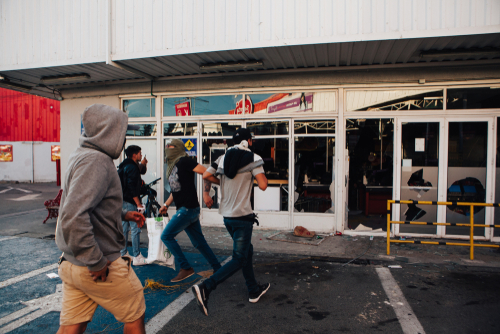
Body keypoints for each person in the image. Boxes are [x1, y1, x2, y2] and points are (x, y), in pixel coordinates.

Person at [55, 104, 146, 334]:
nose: (124, 138)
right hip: (98, 263)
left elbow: (89, 206)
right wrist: (95, 261)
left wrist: (123, 214)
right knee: (135, 315)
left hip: (72, 263)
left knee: (70, 329)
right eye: (123, 132)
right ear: (109, 131)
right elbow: (73, 216)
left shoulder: (82, 155)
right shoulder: (97, 161)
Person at [192, 128, 269, 316]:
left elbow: (206, 176)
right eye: (251, 140)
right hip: (243, 216)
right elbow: (263, 185)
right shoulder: (253, 157)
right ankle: (206, 287)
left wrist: (224, 183)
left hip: (227, 217)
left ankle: (253, 290)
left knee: (246, 251)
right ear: (248, 141)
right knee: (239, 258)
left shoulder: (222, 158)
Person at [158, 139, 221, 282]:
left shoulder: (185, 161)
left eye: (171, 146)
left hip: (188, 209)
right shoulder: (173, 165)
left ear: (178, 148)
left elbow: (206, 172)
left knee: (166, 236)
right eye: (167, 146)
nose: (168, 148)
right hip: (187, 209)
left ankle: (185, 268)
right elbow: (175, 190)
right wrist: (166, 205)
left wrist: (206, 193)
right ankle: (218, 268)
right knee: (199, 243)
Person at [118, 145, 148, 266]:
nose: (141, 155)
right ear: (134, 155)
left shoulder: (125, 165)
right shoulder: (133, 168)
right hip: (130, 201)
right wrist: (138, 203)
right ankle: (137, 256)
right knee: (135, 227)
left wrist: (144, 164)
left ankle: (123, 253)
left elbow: (141, 170)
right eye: (140, 153)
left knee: (124, 228)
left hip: (122, 200)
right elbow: (131, 187)